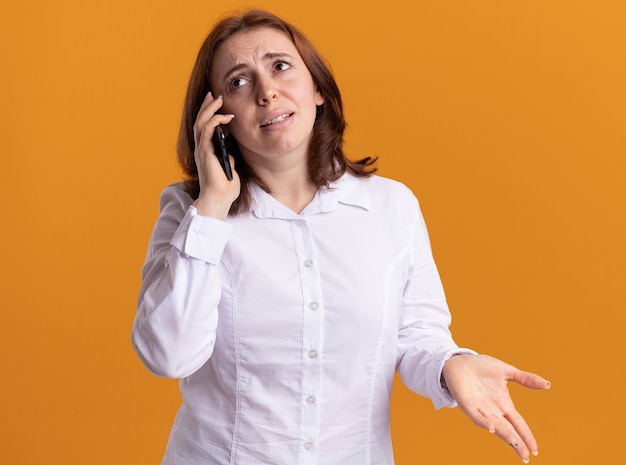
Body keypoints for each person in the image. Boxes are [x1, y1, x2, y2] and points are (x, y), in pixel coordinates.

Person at [131, 9, 550, 465]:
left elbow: (416, 336)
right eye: (238, 81)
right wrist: (211, 206)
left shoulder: (391, 206)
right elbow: (168, 356)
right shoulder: (190, 211)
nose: (267, 92)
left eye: (280, 66)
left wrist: (451, 366)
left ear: (318, 91)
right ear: (218, 116)